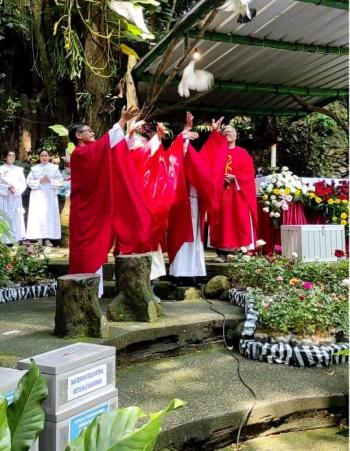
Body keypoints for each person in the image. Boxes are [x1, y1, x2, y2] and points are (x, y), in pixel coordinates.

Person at [68, 106, 158, 296]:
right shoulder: (80, 154)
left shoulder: (91, 150)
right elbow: (105, 147)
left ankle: (93, 292)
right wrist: (122, 121)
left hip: (94, 209)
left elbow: (111, 149)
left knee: (93, 249)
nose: (92, 132)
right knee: (85, 251)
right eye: (88, 131)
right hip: (85, 211)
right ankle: (84, 292)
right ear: (78, 135)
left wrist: (127, 132)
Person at [167, 113, 212, 279]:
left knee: (195, 241)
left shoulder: (197, 162)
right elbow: (176, 153)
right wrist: (184, 134)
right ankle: (177, 273)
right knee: (181, 238)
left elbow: (207, 178)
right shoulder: (174, 163)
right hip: (180, 206)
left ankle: (195, 273)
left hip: (196, 205)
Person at [206, 121, 258, 262]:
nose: (227, 134)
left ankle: (243, 250)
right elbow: (209, 171)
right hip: (221, 193)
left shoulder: (243, 153)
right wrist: (218, 179)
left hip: (238, 193)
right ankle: (222, 253)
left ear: (236, 136)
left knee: (240, 219)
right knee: (221, 221)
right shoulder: (216, 153)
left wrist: (235, 177)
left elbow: (249, 174)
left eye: (230, 132)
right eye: (225, 133)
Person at [26, 150, 63, 246]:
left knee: (49, 216)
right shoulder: (34, 169)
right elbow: (29, 182)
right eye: (42, 155)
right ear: (39, 157)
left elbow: (60, 181)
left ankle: (47, 239)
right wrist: (40, 180)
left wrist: (50, 180)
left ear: (49, 157)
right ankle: (39, 238)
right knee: (38, 216)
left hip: (50, 195)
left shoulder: (54, 168)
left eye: (46, 155)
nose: (44, 157)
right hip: (38, 195)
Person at [0, 150, 26, 243]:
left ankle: (15, 238)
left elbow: (23, 183)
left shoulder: (19, 170)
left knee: (15, 216)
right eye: (9, 155)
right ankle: (4, 240)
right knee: (4, 217)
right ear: (5, 157)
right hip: (4, 197)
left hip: (15, 197)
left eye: (13, 156)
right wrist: (7, 187)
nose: (11, 157)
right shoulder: (1, 169)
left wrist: (16, 190)